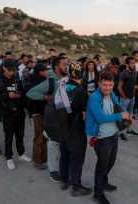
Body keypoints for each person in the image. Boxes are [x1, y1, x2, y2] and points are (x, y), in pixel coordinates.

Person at [86, 71, 131, 204]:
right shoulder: (94, 98)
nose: (107, 88)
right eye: (104, 85)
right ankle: (98, 193)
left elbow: (119, 106)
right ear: (99, 84)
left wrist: (126, 114)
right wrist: (120, 116)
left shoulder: (111, 93)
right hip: (101, 138)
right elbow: (100, 118)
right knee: (102, 165)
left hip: (113, 135)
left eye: (110, 85)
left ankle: (104, 183)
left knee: (110, 162)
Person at [27, 56, 68, 182]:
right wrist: (45, 97)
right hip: (46, 115)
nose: (67, 66)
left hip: (62, 116)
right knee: (48, 140)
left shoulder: (67, 79)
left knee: (58, 142)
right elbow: (30, 93)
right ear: (57, 66)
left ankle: (50, 161)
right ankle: (46, 166)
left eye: (67, 64)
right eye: (64, 64)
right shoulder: (49, 81)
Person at [0, 58, 32, 170]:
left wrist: (20, 96)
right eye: (10, 70)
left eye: (14, 70)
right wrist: (7, 95)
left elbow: (23, 93)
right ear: (4, 68)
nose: (13, 72)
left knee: (20, 134)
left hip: (19, 112)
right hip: (7, 114)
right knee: (9, 136)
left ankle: (21, 154)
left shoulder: (16, 79)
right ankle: (9, 158)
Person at [58, 62, 92, 197]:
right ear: (82, 74)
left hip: (61, 128)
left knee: (64, 155)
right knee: (76, 158)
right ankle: (76, 186)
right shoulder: (82, 92)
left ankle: (64, 180)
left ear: (69, 73)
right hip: (76, 131)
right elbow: (84, 117)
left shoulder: (61, 87)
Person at [25, 63, 49, 170]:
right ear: (41, 72)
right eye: (46, 70)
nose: (48, 72)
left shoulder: (36, 80)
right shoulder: (40, 82)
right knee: (39, 137)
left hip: (39, 112)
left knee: (44, 136)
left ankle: (44, 158)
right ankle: (37, 160)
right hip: (39, 113)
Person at [117, 56, 138, 142]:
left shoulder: (134, 73)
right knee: (122, 116)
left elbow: (134, 84)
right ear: (127, 64)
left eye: (135, 63)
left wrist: (133, 95)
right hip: (125, 98)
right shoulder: (124, 73)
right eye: (132, 63)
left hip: (131, 98)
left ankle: (129, 131)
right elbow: (119, 87)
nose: (134, 65)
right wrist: (124, 97)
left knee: (129, 114)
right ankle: (120, 133)